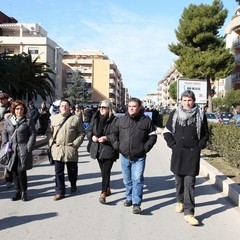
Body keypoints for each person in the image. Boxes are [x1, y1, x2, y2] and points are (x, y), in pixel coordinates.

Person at [163, 90, 209, 226]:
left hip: (192, 154)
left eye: (189, 100)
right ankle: (180, 200)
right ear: (181, 101)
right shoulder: (175, 113)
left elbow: (205, 133)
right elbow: (167, 132)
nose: (187, 103)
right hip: (178, 153)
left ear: (194, 101)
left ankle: (189, 213)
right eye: (185, 100)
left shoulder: (200, 114)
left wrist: (199, 146)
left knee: (190, 183)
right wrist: (173, 145)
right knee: (179, 181)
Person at [110, 97, 157, 214]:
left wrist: (145, 148)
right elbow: (113, 134)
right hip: (124, 156)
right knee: (127, 180)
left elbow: (153, 136)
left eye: (134, 106)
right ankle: (129, 197)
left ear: (139, 107)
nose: (131, 108)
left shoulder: (146, 121)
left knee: (137, 179)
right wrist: (118, 146)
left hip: (139, 156)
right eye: (130, 106)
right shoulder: (121, 120)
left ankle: (136, 203)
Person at [49, 99, 85, 201]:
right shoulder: (54, 119)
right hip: (58, 149)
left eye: (66, 106)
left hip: (70, 149)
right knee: (58, 172)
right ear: (59, 107)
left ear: (69, 107)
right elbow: (49, 132)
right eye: (62, 106)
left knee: (72, 171)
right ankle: (59, 191)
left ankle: (73, 183)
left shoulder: (76, 119)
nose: (64, 107)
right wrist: (51, 143)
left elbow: (82, 133)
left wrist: (75, 144)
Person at [2, 100, 36, 201]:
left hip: (22, 149)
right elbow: (4, 132)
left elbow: (33, 134)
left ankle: (23, 192)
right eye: (17, 109)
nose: (19, 111)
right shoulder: (8, 120)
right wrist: (5, 144)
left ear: (24, 110)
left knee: (21, 171)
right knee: (14, 171)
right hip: (11, 149)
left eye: (21, 109)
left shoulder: (28, 120)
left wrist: (28, 147)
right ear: (14, 109)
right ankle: (17, 191)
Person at [87, 100, 119, 204]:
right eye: (100, 107)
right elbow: (89, 130)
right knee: (103, 172)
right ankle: (108, 188)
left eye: (104, 107)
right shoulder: (95, 117)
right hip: (98, 150)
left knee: (106, 172)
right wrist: (92, 137)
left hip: (109, 149)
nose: (101, 109)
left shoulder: (115, 120)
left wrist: (107, 138)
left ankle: (103, 193)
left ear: (109, 108)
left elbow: (117, 135)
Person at [0, 92, 13, 188]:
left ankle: (8, 179)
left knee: (7, 157)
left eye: (3, 99)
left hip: (6, 136)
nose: (1, 100)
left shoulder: (11, 108)